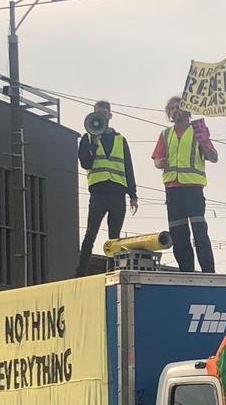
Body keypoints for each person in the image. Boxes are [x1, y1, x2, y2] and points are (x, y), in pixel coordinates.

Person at [152, 96, 218, 273]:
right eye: (171, 109)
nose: (174, 111)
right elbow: (157, 159)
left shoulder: (197, 131)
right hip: (173, 190)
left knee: (199, 232)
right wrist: (160, 163)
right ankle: (186, 271)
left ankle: (208, 272)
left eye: (177, 107)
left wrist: (204, 141)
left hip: (193, 188)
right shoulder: (166, 134)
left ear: (186, 110)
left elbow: (213, 157)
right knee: (179, 234)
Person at [76, 100, 138, 276]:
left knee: (114, 238)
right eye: (99, 112)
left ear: (110, 115)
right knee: (91, 233)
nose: (102, 115)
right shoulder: (87, 138)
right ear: (94, 114)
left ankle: (112, 271)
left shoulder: (120, 139)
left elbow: (128, 167)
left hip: (118, 193)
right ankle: (80, 271)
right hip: (99, 193)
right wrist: (94, 145)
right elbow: (85, 163)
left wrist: (133, 194)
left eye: (105, 112)